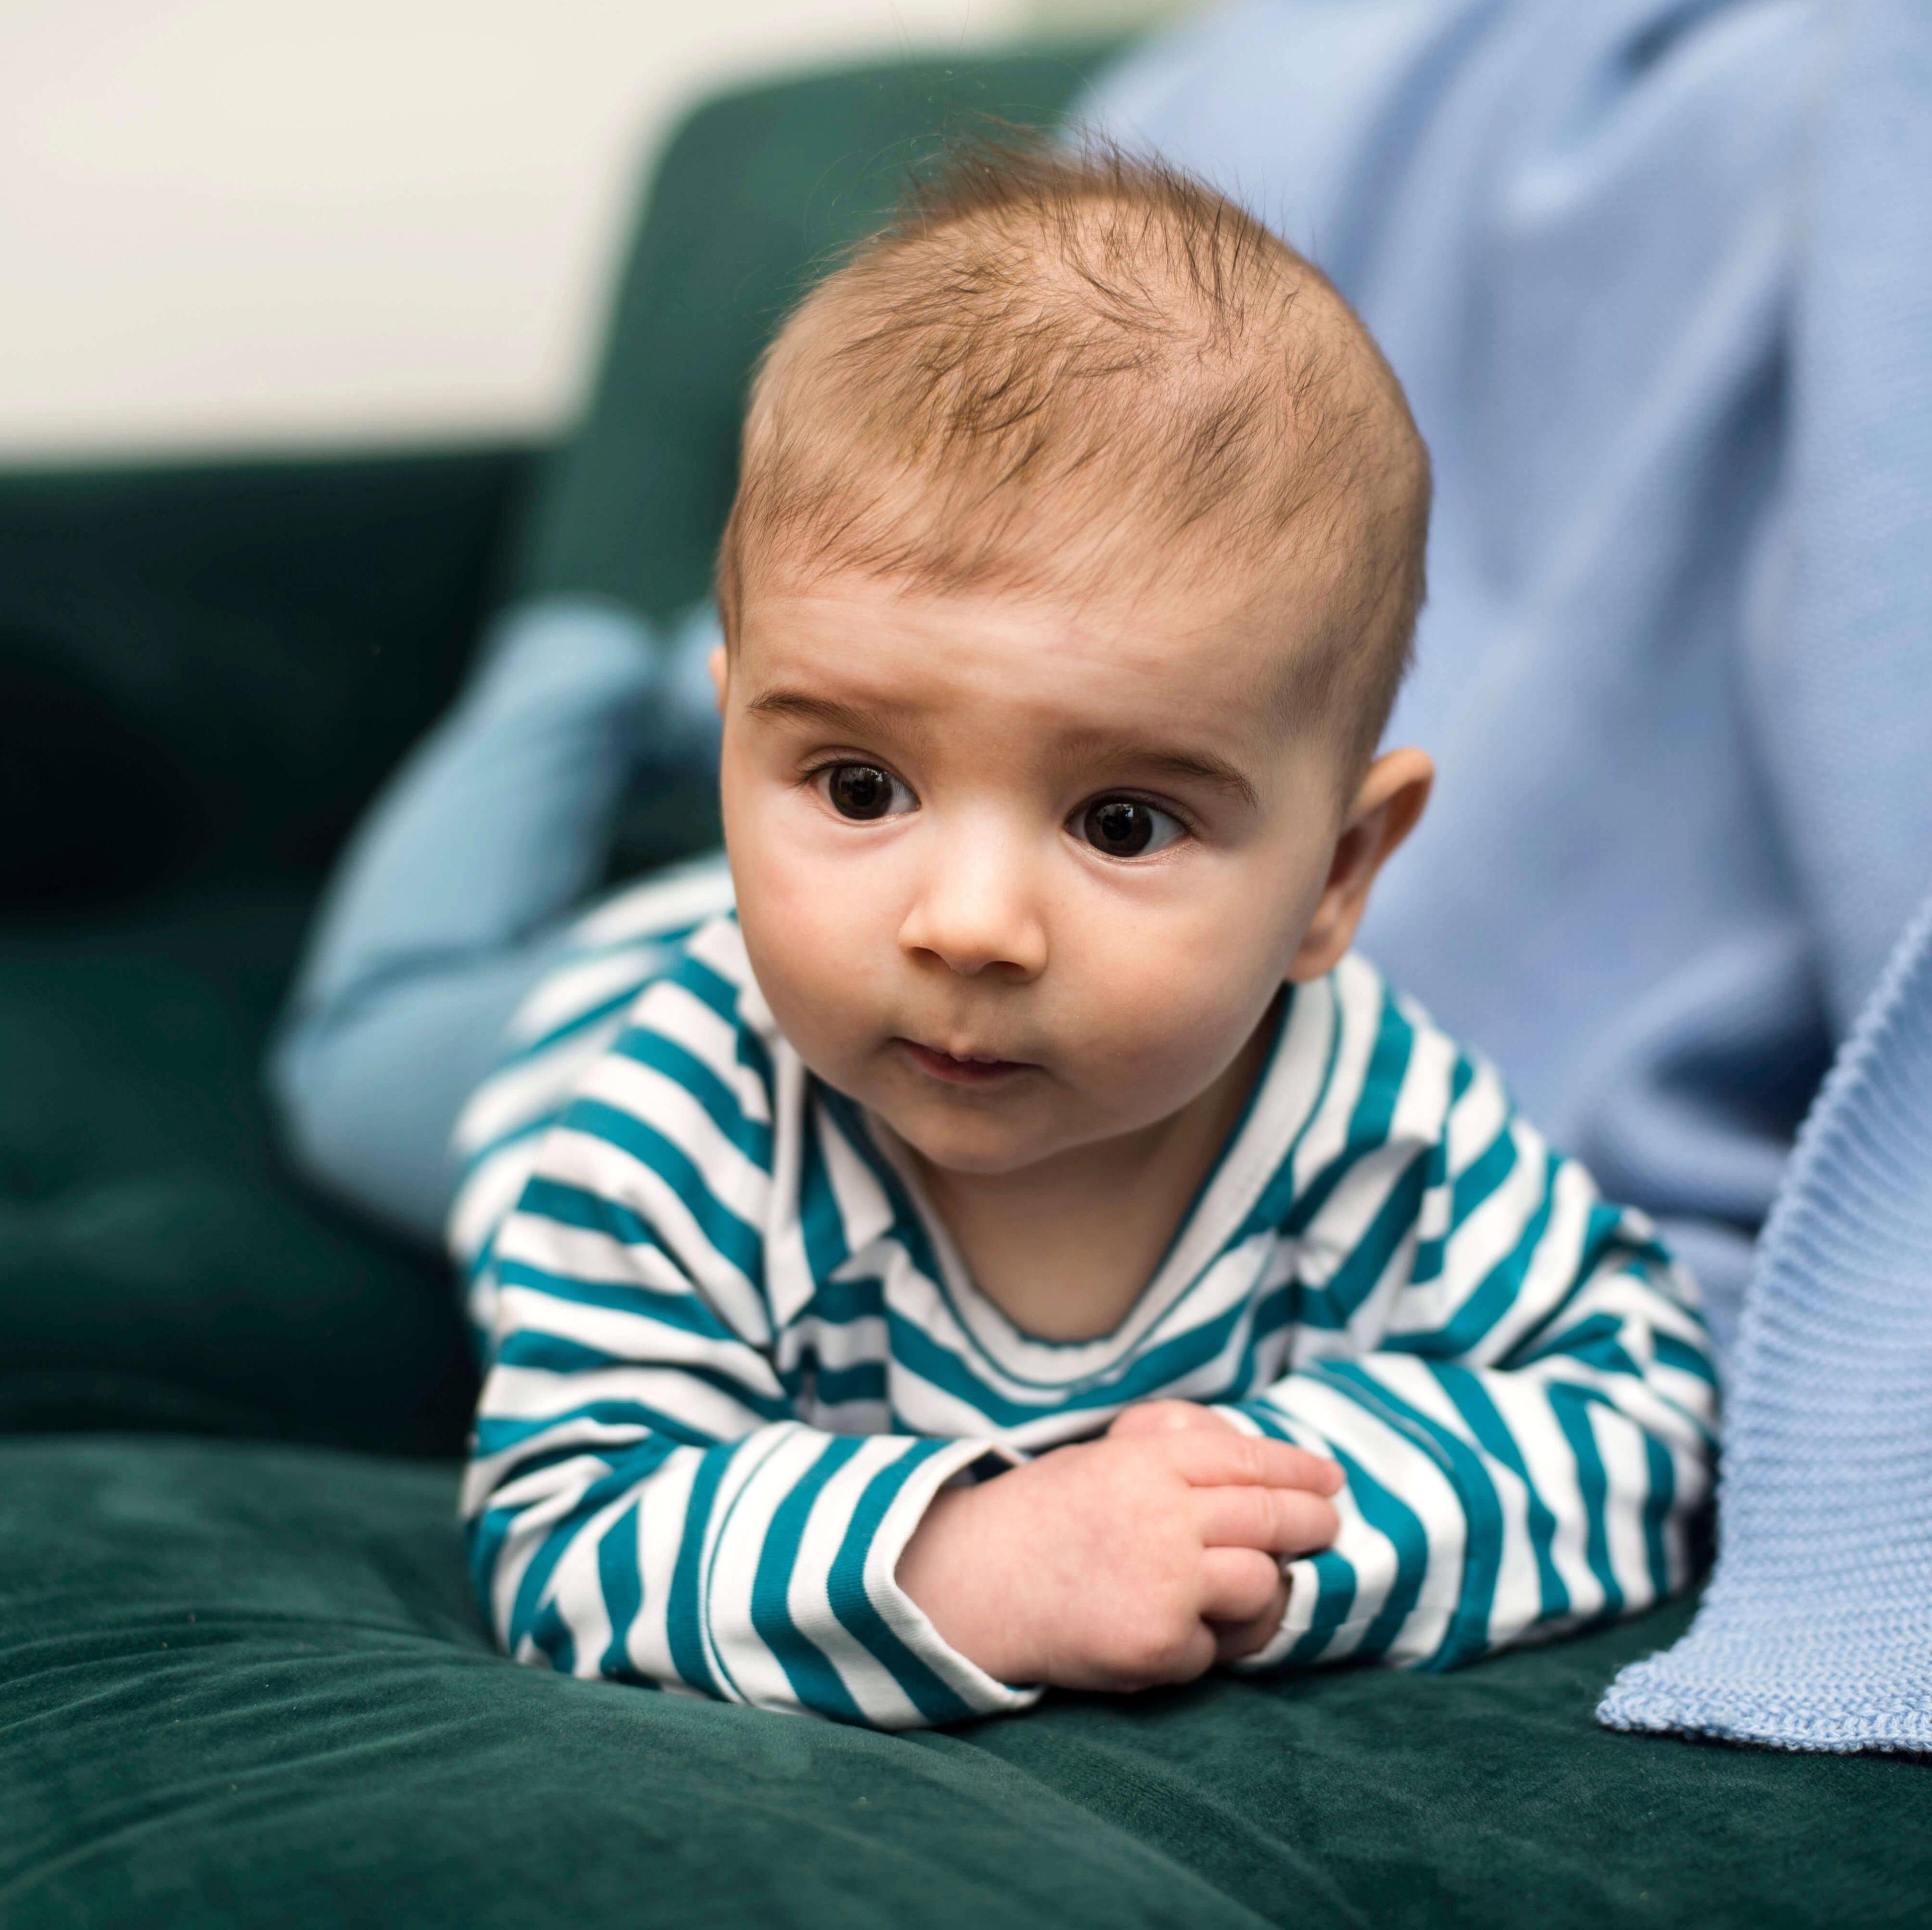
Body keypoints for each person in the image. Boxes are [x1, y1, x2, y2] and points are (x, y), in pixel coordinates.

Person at [279, 144, 1715, 1728]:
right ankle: (569, 683)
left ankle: (808, 710)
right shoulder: (671, 1115)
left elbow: (1636, 1414)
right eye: (856, 778)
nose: (968, 926)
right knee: (352, 1065)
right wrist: (972, 1560)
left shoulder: (1381, 1122)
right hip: (592, 1018)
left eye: (1121, 822)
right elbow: (575, 1530)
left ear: (1337, 874)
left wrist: (1261, 1535)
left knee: (896, 781)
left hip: (807, 929)